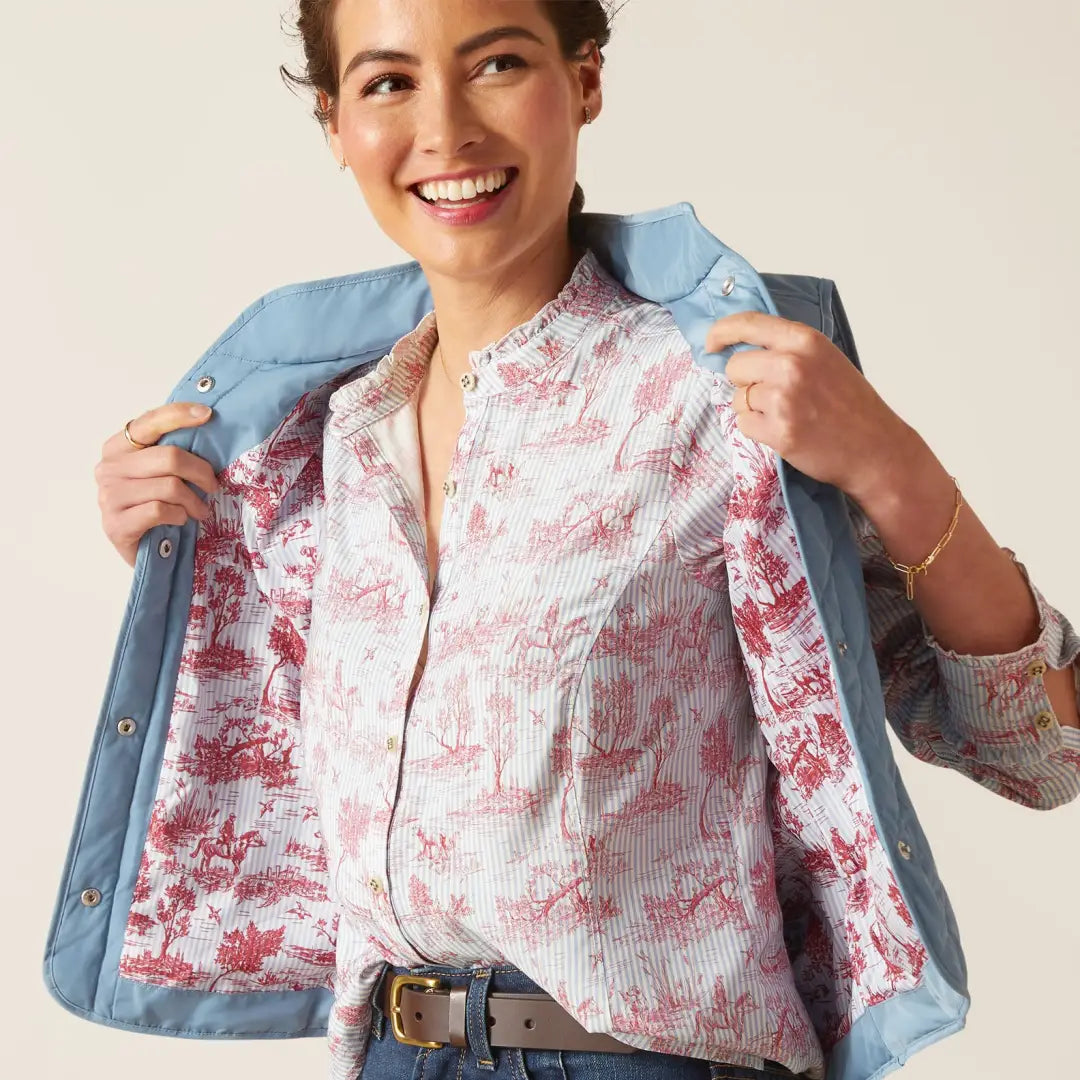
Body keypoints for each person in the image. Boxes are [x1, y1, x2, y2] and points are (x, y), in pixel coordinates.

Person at [86, 3, 1080, 1080]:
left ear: (586, 80)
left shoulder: (720, 393)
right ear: (334, 124)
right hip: (388, 1053)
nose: (447, 128)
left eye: (497, 64)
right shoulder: (323, 439)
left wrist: (897, 469)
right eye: (386, 83)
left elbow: (1041, 755)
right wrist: (178, 559)